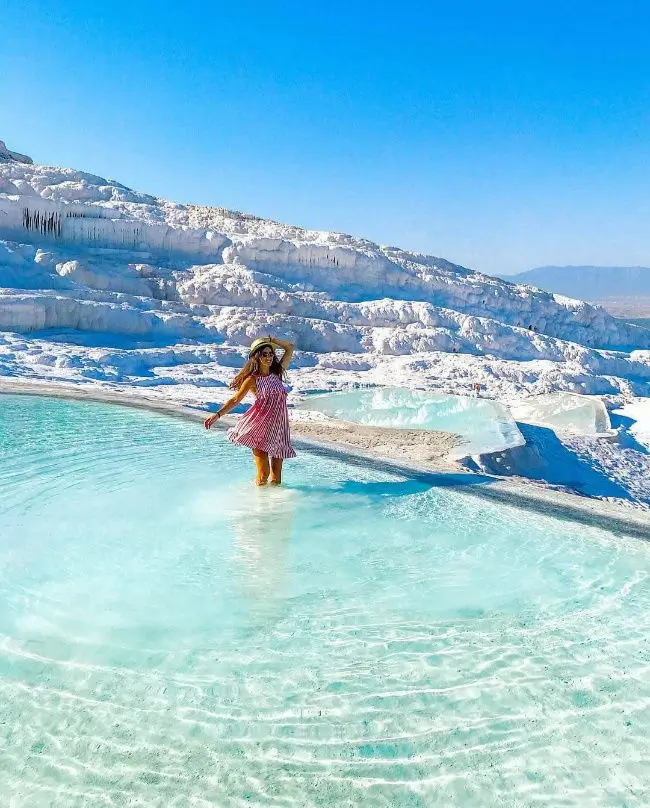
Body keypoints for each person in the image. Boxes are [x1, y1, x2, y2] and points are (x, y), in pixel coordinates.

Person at [204, 336, 296, 485]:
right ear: (256, 356)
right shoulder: (252, 380)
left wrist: (272, 340)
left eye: (270, 353)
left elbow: (290, 348)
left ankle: (274, 505)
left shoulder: (277, 373)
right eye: (264, 354)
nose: (268, 357)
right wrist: (217, 414)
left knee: (277, 476)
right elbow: (235, 400)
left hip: (279, 428)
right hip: (261, 427)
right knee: (264, 474)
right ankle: (257, 502)